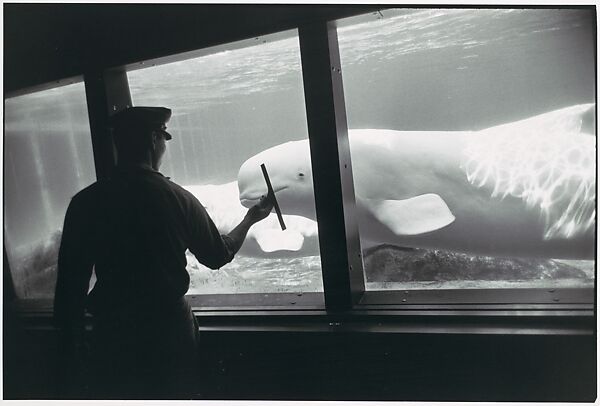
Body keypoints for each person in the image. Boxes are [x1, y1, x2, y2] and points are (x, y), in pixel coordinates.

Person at [53, 106, 273, 399]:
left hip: (113, 335)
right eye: (163, 140)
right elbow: (218, 255)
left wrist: (73, 345)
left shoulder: (84, 203)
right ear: (154, 140)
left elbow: (70, 286)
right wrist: (250, 219)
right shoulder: (178, 199)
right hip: (168, 332)